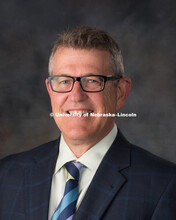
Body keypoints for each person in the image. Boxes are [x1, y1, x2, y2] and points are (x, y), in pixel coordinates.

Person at [0, 26, 175, 220]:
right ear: (50, 90)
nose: (76, 96)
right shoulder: (6, 176)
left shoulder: (164, 185)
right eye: (64, 81)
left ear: (120, 92)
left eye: (92, 81)